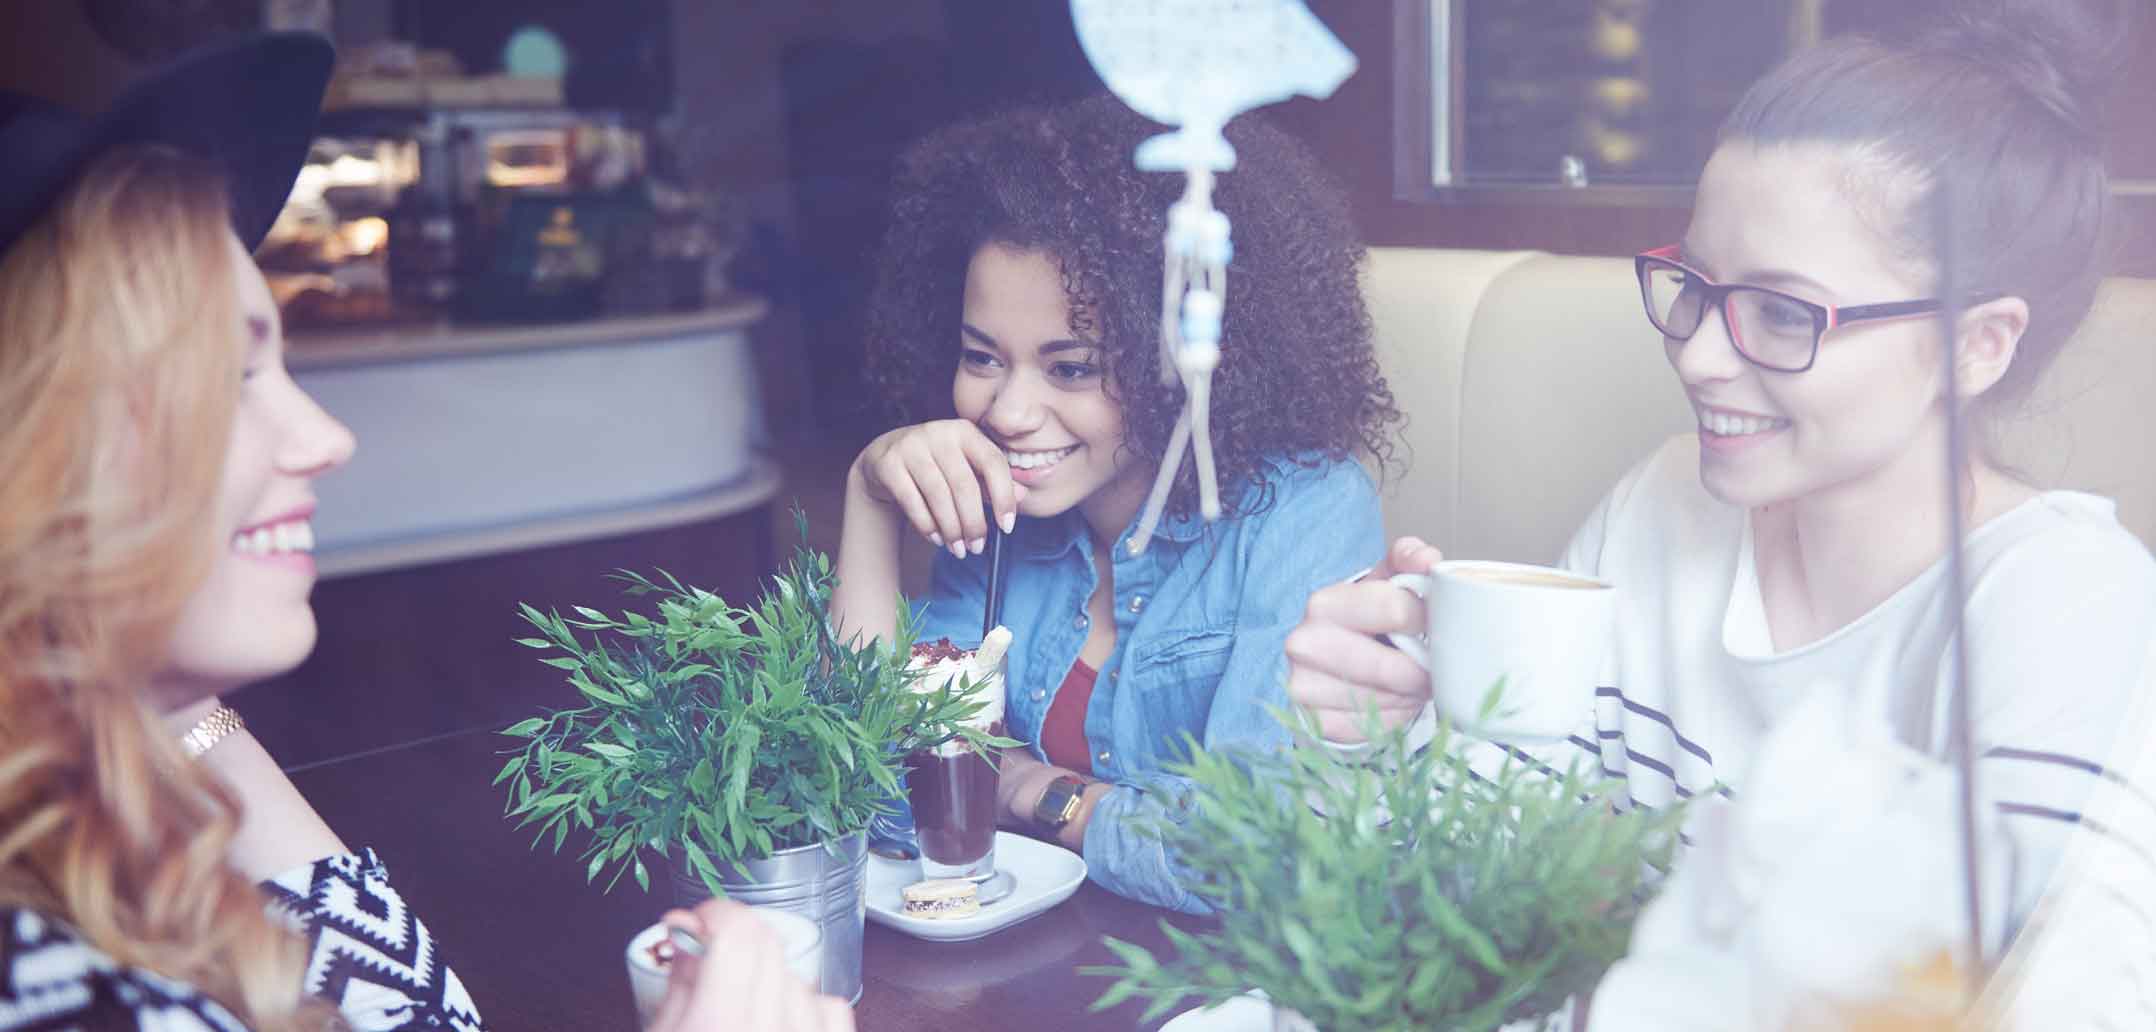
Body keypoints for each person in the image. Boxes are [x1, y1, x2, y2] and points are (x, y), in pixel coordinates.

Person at [1282, 0, 2155, 1023]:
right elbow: (1476, 919)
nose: (1695, 353)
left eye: (1782, 312)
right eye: (1693, 282)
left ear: (1976, 345)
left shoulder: (2067, 610)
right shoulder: (1657, 508)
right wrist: (1365, 744)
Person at [0, 32, 848, 1032]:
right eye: (229, 380)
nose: (325, 435)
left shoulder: (121, 800)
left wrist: (156, 689)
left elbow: (403, 1014)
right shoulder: (44, 978)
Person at [829, 95, 1399, 912]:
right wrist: (869, 499)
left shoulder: (1307, 508)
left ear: (1186, 360)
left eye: (1071, 368)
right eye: (981, 357)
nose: (1009, 412)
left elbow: (1250, 859)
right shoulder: (993, 508)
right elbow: (871, 794)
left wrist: (1032, 791)